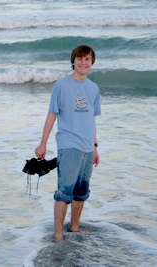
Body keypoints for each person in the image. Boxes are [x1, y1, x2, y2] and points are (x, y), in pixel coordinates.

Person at [35, 44, 101, 242]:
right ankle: (57, 234)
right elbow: (51, 115)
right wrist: (42, 143)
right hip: (69, 143)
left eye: (87, 59)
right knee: (65, 191)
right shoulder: (61, 85)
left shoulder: (94, 88)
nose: (83, 62)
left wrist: (96, 147)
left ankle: (74, 227)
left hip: (88, 147)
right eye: (79, 58)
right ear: (73, 61)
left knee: (81, 191)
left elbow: (92, 119)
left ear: (92, 63)